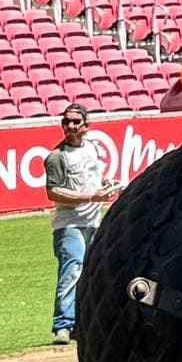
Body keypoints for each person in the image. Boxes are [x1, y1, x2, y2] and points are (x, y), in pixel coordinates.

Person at [42, 108, 111, 344]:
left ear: (86, 125)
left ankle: (82, 323)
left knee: (91, 272)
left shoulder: (91, 148)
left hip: (93, 221)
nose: (70, 126)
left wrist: (106, 184)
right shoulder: (57, 157)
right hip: (69, 224)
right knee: (72, 270)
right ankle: (62, 324)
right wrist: (91, 196)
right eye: (66, 122)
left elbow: (93, 177)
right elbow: (54, 192)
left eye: (75, 122)